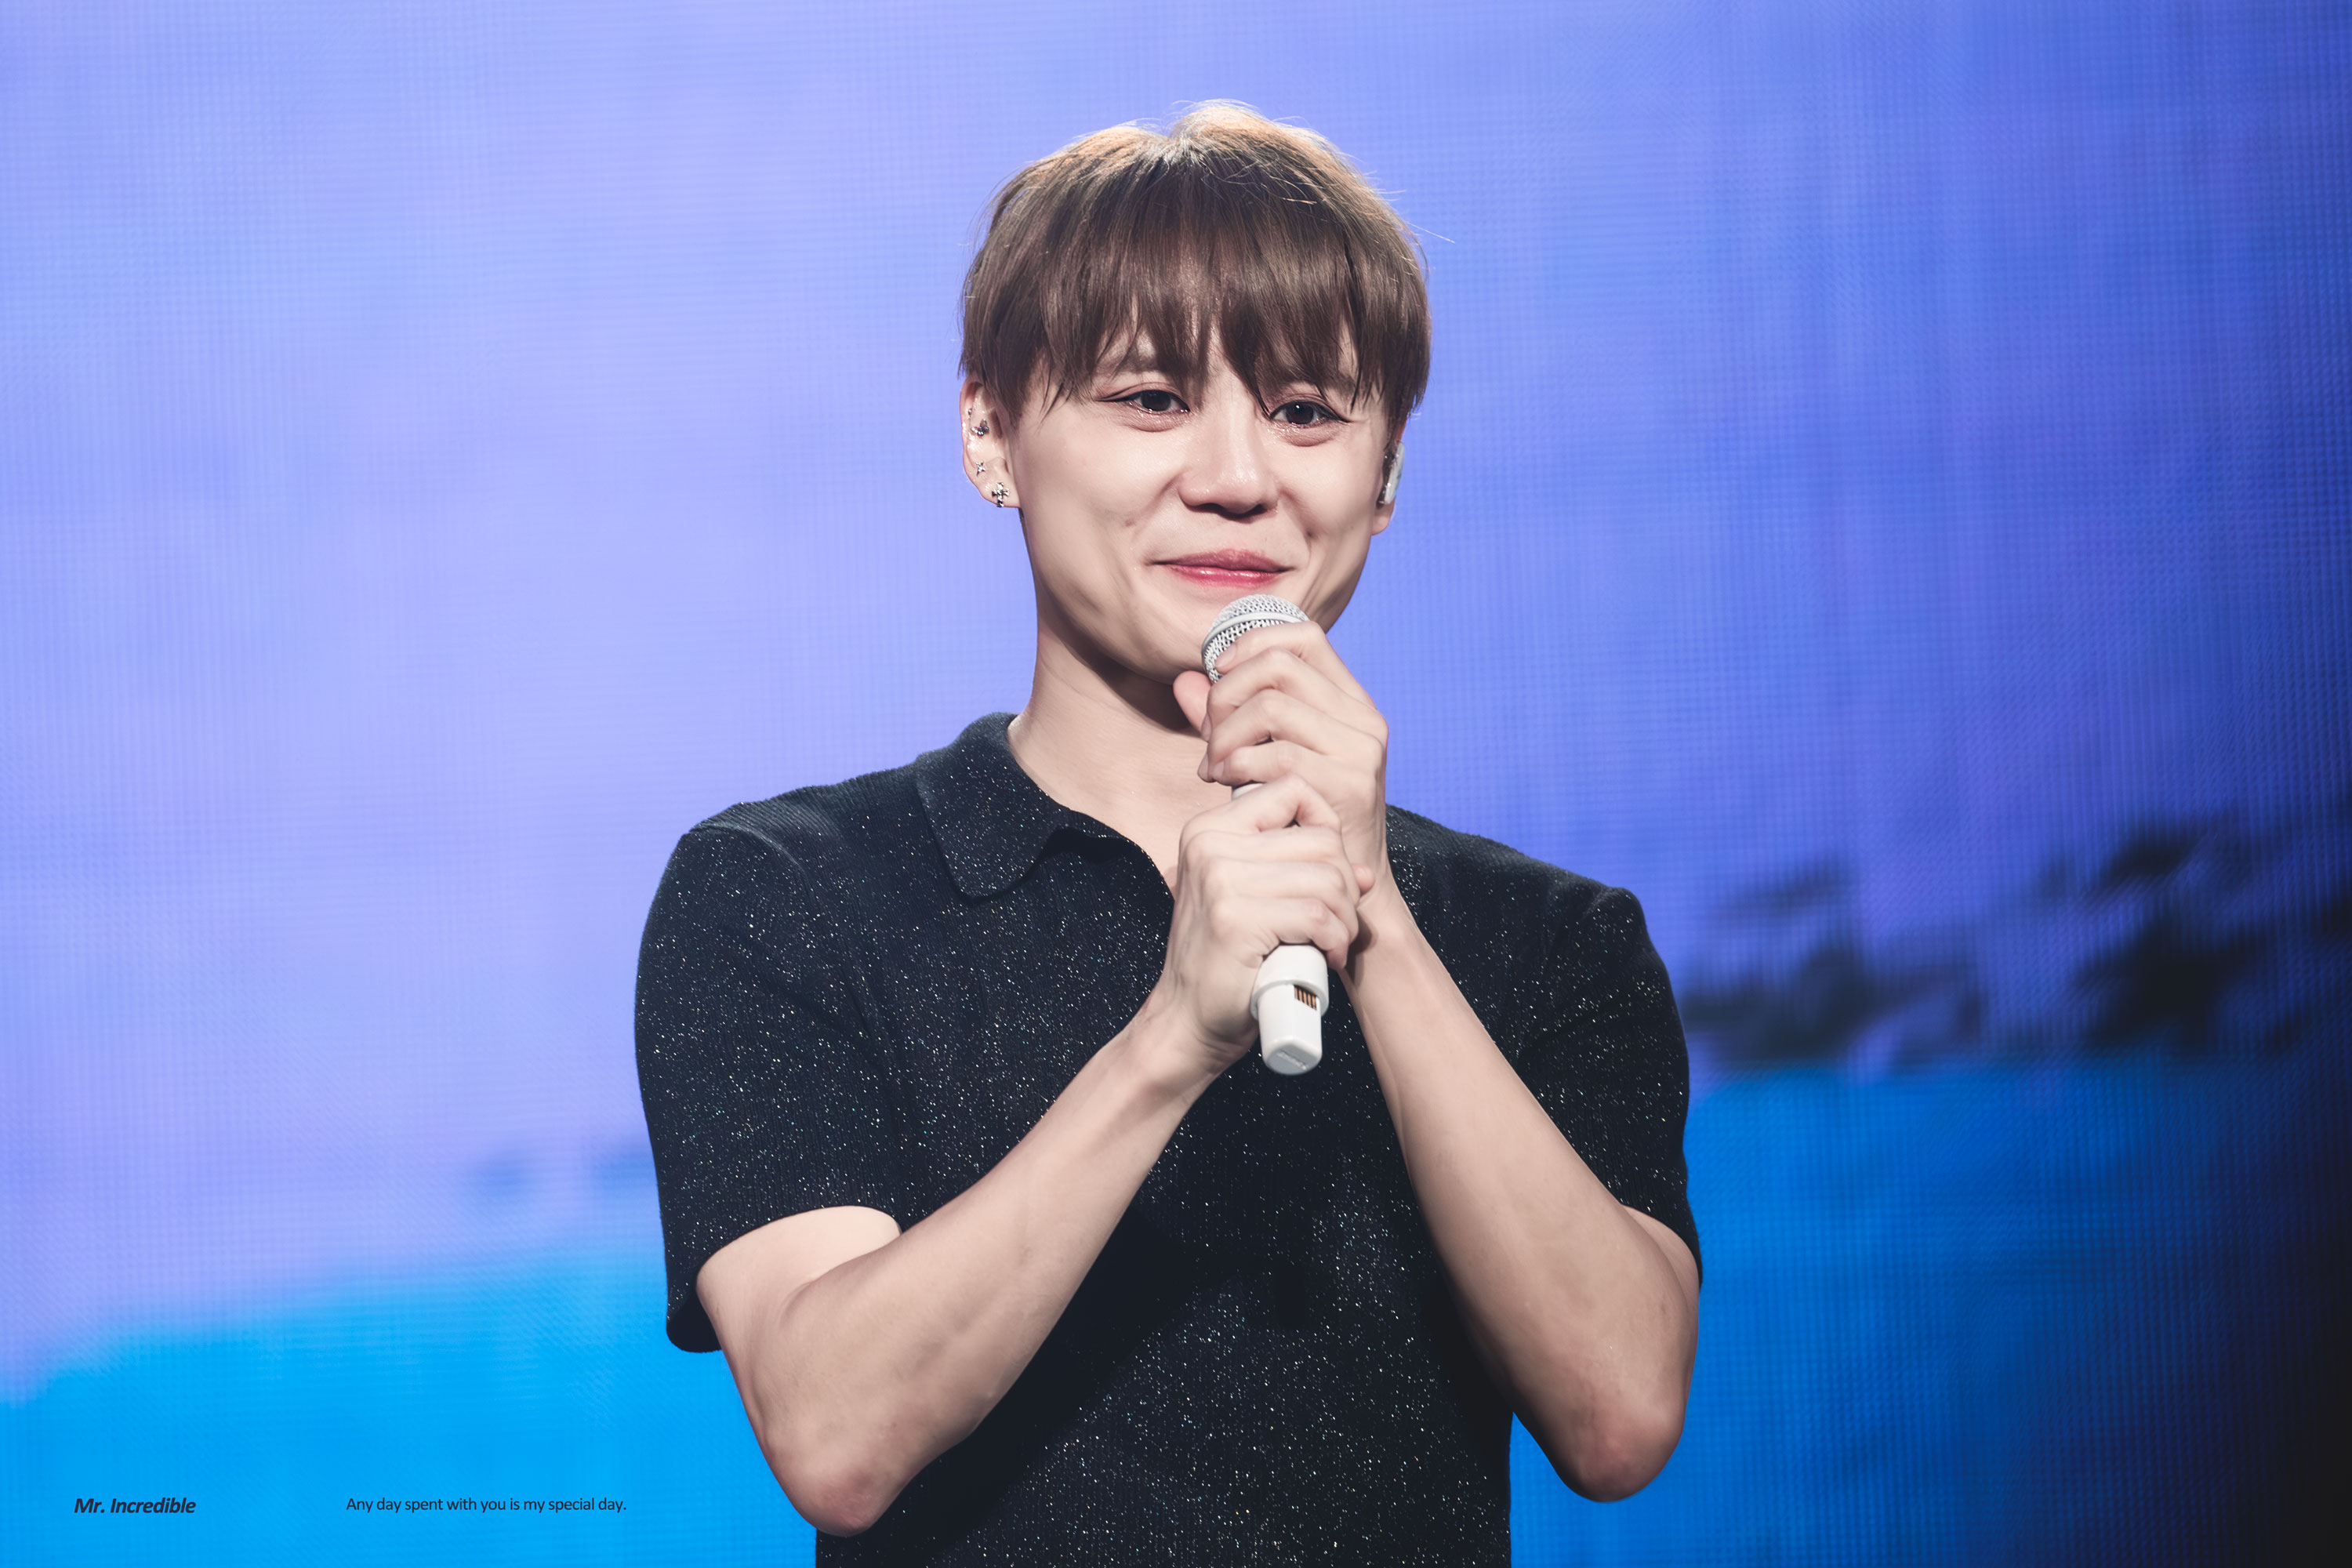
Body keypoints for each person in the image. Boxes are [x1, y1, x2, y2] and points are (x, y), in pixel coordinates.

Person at [635, 103, 1700, 1566]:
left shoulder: (1547, 941)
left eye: (1307, 412)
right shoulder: (791, 895)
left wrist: (1372, 912)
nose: (1238, 476)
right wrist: (1168, 1044)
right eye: (1151, 398)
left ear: (1387, 473)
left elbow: (1620, 1417)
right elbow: (834, 1434)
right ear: (990, 430)